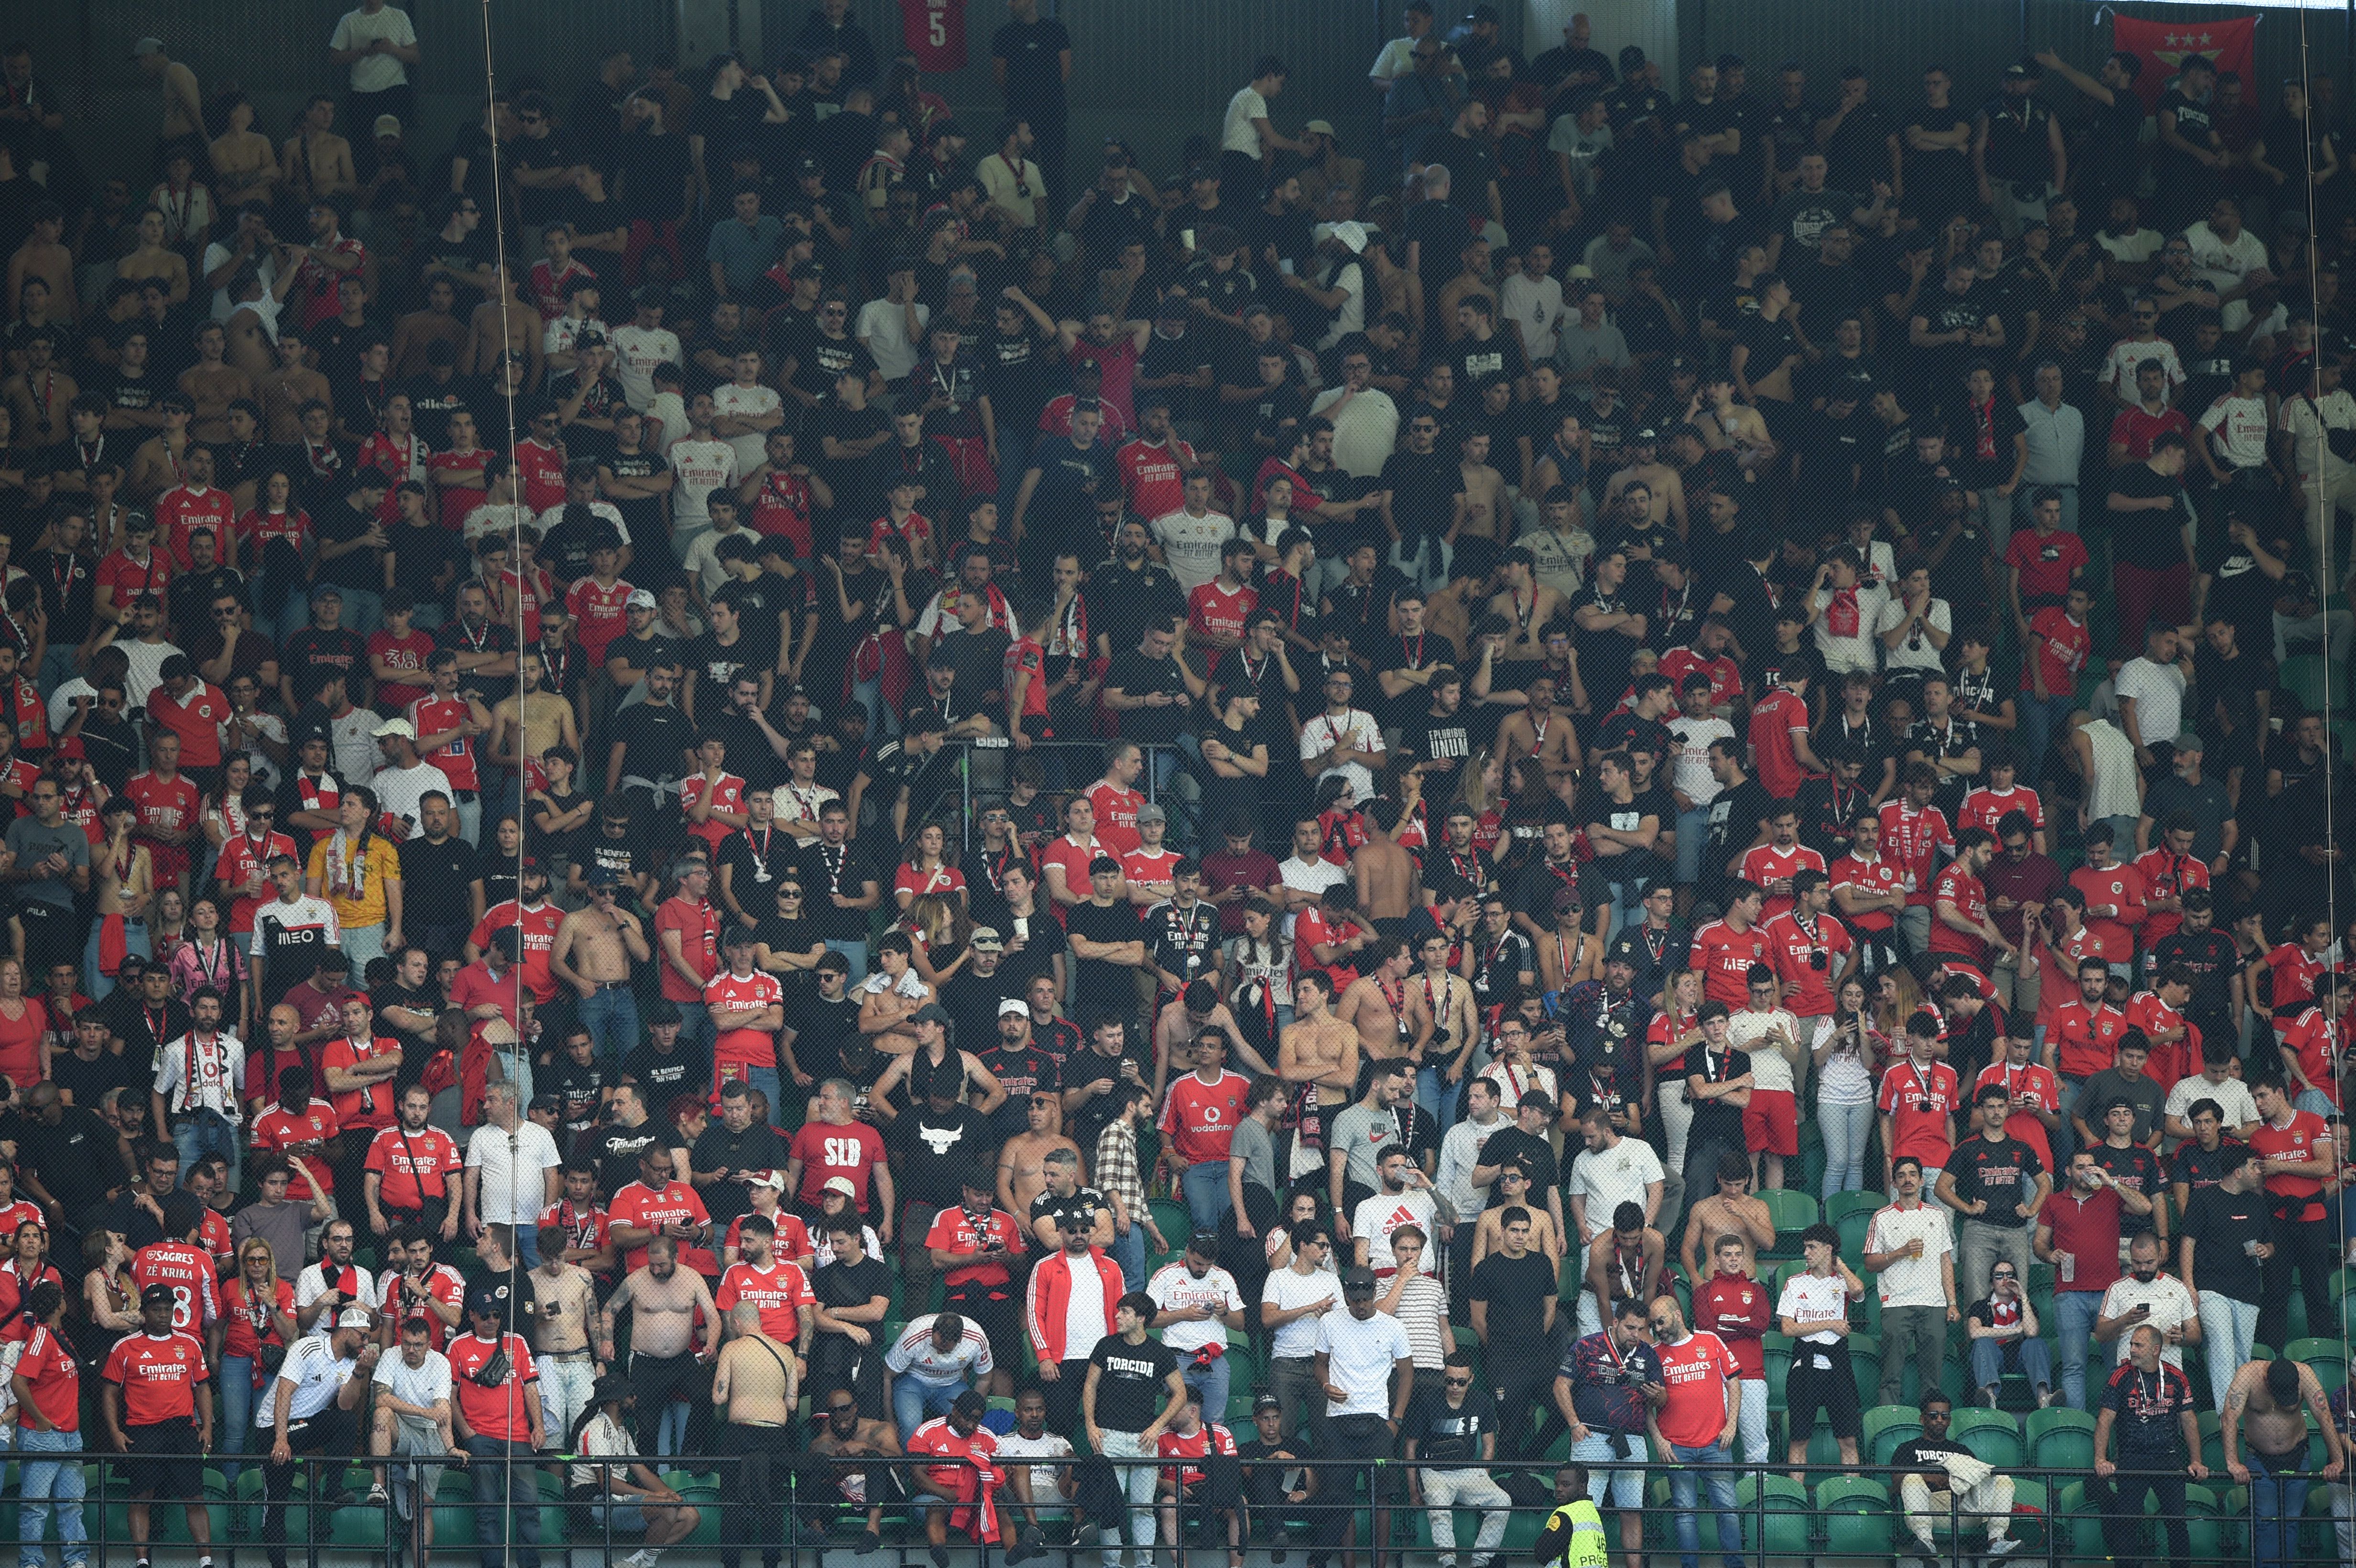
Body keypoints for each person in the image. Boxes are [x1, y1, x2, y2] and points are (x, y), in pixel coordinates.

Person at [100, 1283, 213, 1567]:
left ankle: (206, 1561)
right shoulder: (125, 1347)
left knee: (195, 1497)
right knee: (141, 1497)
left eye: (168, 1309)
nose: (163, 1315)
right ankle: (142, 1562)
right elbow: (110, 1392)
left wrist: (207, 1428)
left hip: (183, 1429)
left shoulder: (190, 1344)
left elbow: (202, 1388)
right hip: (143, 1431)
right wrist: (115, 1431)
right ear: (144, 1312)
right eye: (156, 1310)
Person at [1312, 1267, 1414, 1568]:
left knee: (1382, 1498)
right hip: (1338, 1421)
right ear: (1346, 1295)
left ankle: (1379, 1565)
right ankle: (1349, 1566)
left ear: (1374, 1294)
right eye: (1355, 1300)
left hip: (1378, 1422)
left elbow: (1407, 1374)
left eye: (1365, 1300)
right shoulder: (1330, 1322)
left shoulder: (1393, 1326)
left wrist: (1396, 1420)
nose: (1360, 1305)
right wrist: (1326, 1385)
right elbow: (1319, 1364)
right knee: (1341, 1499)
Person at [1083, 1291, 1186, 1568]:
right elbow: (1090, 1385)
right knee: (1110, 1507)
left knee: (1143, 1508)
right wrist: (1091, 1424)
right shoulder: (1106, 1346)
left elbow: (1181, 1394)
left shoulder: (1160, 1352)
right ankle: (1112, 1565)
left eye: (1125, 1312)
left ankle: (1145, 1564)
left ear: (1141, 1318)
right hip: (1109, 1436)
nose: (1118, 1316)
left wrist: (1157, 1427)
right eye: (1119, 1310)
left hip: (1145, 1438)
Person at [447, 1281, 545, 1568]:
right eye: (485, 1315)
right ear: (472, 1315)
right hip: (481, 1437)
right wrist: (467, 1433)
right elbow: (449, 1395)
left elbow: (530, 1387)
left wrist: (538, 1426)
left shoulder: (518, 1342)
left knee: (529, 1507)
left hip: (519, 1436)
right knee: (487, 1509)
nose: (491, 1320)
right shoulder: (458, 1345)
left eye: (497, 1315)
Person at [2094, 1323, 2206, 1568]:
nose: (2132, 1350)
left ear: (2156, 1350)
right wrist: (2100, 1459)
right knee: (2126, 1523)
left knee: (2177, 1522)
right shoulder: (2121, 1376)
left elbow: (2189, 1420)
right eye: (2132, 1344)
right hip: (2132, 1458)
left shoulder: (2176, 1377)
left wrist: (2196, 1460)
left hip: (2169, 1458)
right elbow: (2105, 1419)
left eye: (2138, 1345)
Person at [2221, 1356, 2348, 1568]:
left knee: (2291, 1520)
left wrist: (2338, 1460)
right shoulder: (2248, 1375)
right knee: (2266, 1520)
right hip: (2259, 1457)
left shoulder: (2305, 1374)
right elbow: (2229, 1418)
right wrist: (2233, 1462)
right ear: (2266, 1379)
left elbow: (2324, 1416)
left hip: (2298, 1454)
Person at [1646, 1295, 1742, 1568]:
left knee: (1728, 1511)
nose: (1658, 1329)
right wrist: (1659, 1441)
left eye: (1661, 1322)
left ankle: (1735, 1566)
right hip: (1676, 1448)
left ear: (1677, 1315)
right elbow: (1644, 1405)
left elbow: (1734, 1384)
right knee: (1685, 1514)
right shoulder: (1653, 1354)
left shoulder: (1710, 1341)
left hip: (1716, 1444)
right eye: (1654, 1325)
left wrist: (1731, 1425)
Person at [1404, 1346, 1511, 1568]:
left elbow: (1489, 1444)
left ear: (1471, 1379)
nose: (1455, 1387)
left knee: (1503, 1501)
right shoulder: (1427, 1401)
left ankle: (1480, 1562)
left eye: (1461, 1382)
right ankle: (1449, 1563)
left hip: (1468, 1470)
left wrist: (1483, 1475)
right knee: (1439, 1508)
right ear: (1444, 1377)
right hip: (1433, 1470)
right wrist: (1413, 1490)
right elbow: (1411, 1447)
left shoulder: (1482, 1401)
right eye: (1450, 1381)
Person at [1775, 1222, 1865, 1470]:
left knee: (1848, 1439)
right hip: (1805, 1365)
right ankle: (1797, 1491)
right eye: (1805, 1247)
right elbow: (1787, 1329)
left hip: (1838, 1365)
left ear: (1828, 1249)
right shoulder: (1795, 1283)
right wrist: (1830, 1324)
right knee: (1799, 1439)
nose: (1806, 1253)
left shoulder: (1843, 1281)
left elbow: (1859, 1289)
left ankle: (1851, 1490)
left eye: (1812, 1247)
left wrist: (1840, 1265)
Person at [1892, 1393, 2020, 1564]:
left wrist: (1955, 1480)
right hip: (1931, 1510)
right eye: (1934, 1415)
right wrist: (1926, 1476)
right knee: (1911, 1479)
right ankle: (1926, 1543)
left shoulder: (1962, 1450)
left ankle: (1997, 1543)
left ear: (1950, 1420)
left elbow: (1977, 1478)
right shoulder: (1907, 1449)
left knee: (2003, 1479)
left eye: (1945, 1416)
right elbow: (1897, 1485)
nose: (1940, 1420)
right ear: (1923, 1419)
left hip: (1964, 1509)